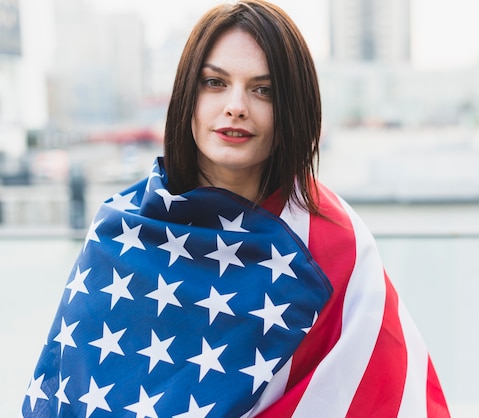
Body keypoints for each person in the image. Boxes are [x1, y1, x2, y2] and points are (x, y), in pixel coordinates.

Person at [23, 1, 450, 416]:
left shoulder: (332, 241)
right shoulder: (119, 230)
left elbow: (383, 390)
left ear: (292, 110)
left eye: (263, 90)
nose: (236, 106)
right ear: (186, 94)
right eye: (215, 82)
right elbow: (66, 392)